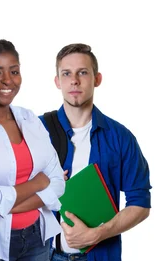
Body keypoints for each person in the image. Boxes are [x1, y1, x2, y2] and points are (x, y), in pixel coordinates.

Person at [40, 43, 151, 261]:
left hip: (100, 256)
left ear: (97, 79)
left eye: (83, 72)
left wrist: (98, 234)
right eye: (66, 73)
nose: (74, 80)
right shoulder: (36, 131)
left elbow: (140, 203)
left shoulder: (120, 137)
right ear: (57, 81)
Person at [0, 39, 65, 261]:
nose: (7, 80)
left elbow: (58, 181)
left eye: (14, 71)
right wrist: (36, 184)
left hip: (38, 236)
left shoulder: (29, 118)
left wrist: (7, 205)